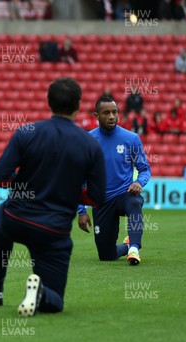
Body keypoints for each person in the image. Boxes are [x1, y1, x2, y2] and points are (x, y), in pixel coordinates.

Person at [0, 77, 106, 317]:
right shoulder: (90, 145)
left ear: (48, 102)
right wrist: (66, 190)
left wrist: (27, 184)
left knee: (1, 216)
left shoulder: (27, 132)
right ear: (78, 105)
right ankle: (42, 293)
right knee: (55, 303)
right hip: (54, 232)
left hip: (17, 219)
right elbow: (98, 197)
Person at [77, 96, 151, 266]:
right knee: (106, 256)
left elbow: (145, 169)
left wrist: (139, 182)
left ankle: (134, 248)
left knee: (134, 203)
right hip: (100, 201)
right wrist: (81, 211)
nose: (111, 116)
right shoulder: (88, 141)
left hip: (124, 194)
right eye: (106, 113)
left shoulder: (131, 139)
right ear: (96, 116)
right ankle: (126, 246)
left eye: (114, 112)